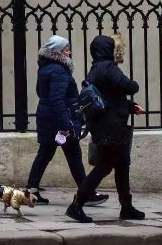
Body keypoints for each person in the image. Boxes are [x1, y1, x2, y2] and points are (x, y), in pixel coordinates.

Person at [66, 34, 146, 223]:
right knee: (104, 167)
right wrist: (134, 85)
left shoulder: (95, 69)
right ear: (109, 49)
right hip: (112, 128)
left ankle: (126, 207)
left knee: (122, 165)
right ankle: (76, 205)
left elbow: (109, 98)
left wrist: (130, 107)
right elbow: (128, 86)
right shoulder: (109, 68)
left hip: (104, 125)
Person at [25, 35, 109, 207]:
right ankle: (86, 193)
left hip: (48, 117)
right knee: (73, 155)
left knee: (45, 154)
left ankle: (31, 191)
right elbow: (57, 99)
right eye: (66, 50)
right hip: (60, 120)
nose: (69, 53)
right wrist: (65, 124)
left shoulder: (45, 68)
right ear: (57, 52)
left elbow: (42, 93)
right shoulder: (59, 71)